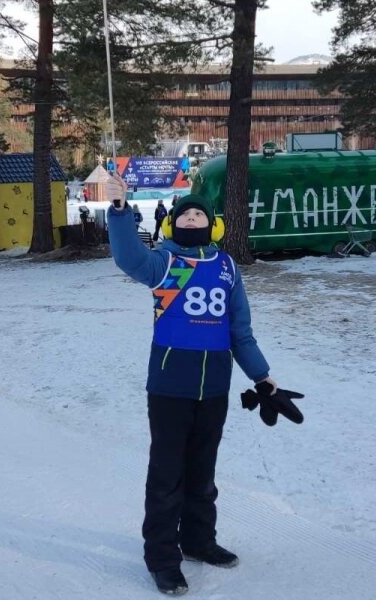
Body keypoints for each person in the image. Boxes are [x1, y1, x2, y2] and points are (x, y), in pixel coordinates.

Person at [106, 176, 303, 596]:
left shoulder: (227, 267)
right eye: (184, 214)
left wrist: (263, 378)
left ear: (212, 223)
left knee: (203, 471)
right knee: (166, 475)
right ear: (173, 225)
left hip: (214, 386)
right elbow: (128, 259)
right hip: (170, 385)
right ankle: (162, 558)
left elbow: (240, 330)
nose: (192, 217)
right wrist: (121, 211)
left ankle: (198, 541)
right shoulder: (164, 263)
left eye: (199, 213)